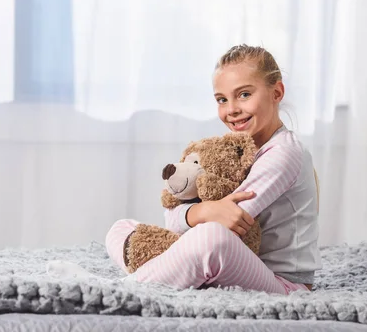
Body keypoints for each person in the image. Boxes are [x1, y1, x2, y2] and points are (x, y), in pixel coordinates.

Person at [106, 44, 321, 294]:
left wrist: (200, 213)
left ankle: (125, 289)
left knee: (211, 239)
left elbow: (226, 222)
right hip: (235, 261)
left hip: (282, 283)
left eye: (244, 95)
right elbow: (173, 218)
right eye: (222, 99)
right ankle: (171, 270)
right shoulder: (235, 151)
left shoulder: (285, 152)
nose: (231, 110)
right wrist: (206, 209)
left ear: (277, 92)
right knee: (121, 229)